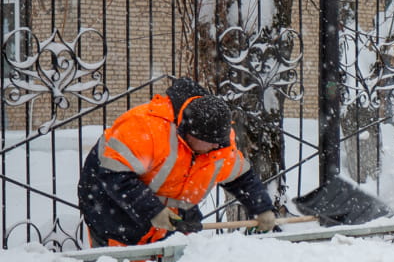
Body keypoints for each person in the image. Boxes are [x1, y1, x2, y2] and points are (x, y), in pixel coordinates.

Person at [78, 78, 277, 248]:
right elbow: (114, 176)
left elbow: (242, 178)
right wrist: (152, 211)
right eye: (208, 142)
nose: (214, 146)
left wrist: (262, 208)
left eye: (218, 142)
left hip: (167, 220)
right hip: (113, 212)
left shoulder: (217, 147)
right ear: (187, 132)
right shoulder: (145, 128)